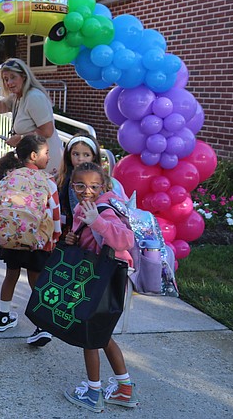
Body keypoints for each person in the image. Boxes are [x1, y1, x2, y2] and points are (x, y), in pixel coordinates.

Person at [62, 161, 139, 412]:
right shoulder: (85, 206)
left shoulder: (104, 209)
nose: (87, 190)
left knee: (90, 338)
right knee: (103, 336)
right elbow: (87, 238)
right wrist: (73, 238)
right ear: (72, 186)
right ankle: (124, 389)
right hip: (97, 280)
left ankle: (93, 393)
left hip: (101, 282)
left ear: (104, 185)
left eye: (94, 186)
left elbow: (126, 239)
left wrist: (97, 221)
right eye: (80, 185)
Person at [0, 134, 61, 346]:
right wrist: (55, 237)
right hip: (38, 238)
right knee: (37, 280)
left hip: (11, 234)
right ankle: (42, 325)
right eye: (46, 153)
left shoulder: (9, 177)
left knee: (11, 275)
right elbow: (55, 211)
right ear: (34, 155)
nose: (49, 157)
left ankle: (3, 316)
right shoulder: (47, 180)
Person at [0, 58, 64, 177]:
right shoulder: (17, 97)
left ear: (23, 76)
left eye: (13, 77)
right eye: (6, 79)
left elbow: (47, 131)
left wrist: (20, 138)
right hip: (33, 161)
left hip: (46, 160)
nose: (9, 83)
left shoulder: (33, 96)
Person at [57, 132, 127, 237]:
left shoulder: (107, 181)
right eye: (75, 154)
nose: (80, 159)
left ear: (94, 157)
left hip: (96, 231)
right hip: (73, 233)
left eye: (86, 155)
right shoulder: (62, 179)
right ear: (68, 155)